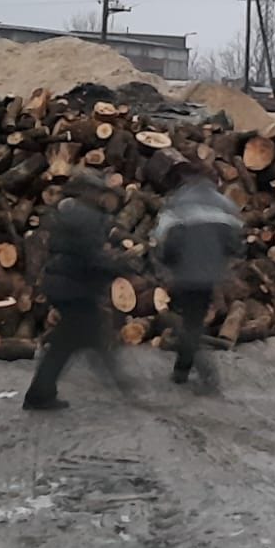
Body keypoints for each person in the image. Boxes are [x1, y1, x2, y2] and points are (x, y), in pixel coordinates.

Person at [23, 171, 130, 411]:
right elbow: (90, 256)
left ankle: (42, 392)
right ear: (89, 193)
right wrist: (117, 265)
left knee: (81, 337)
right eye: (99, 192)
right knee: (78, 338)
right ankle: (40, 395)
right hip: (73, 287)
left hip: (66, 284)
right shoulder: (85, 217)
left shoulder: (69, 213)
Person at [153, 164, 244, 388]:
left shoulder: (178, 203)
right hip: (210, 271)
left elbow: (167, 240)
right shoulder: (223, 203)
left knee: (190, 322)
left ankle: (200, 368)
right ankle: (182, 369)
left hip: (185, 271)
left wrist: (166, 263)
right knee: (193, 320)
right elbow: (235, 242)